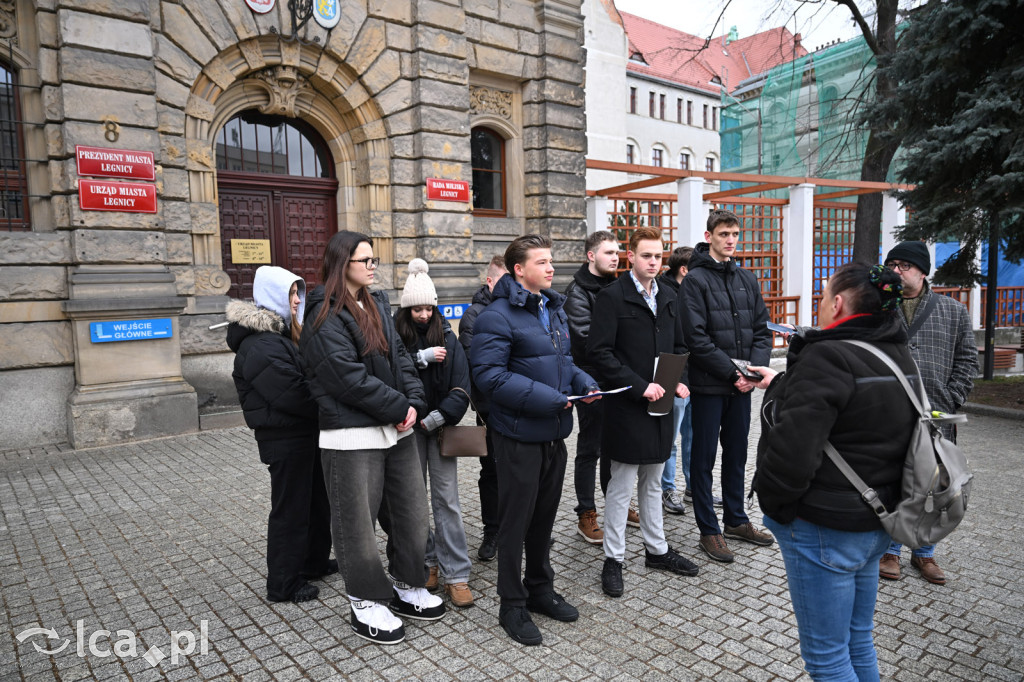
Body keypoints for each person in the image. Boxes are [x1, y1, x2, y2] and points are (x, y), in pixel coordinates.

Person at [748, 262, 917, 681]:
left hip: (824, 525)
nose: (820, 304)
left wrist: (774, 507)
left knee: (826, 658)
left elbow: (793, 452)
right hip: (877, 518)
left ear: (838, 303)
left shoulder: (827, 356)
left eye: (823, 296)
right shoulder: (896, 351)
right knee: (858, 641)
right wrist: (783, 383)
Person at [300, 231, 444, 645]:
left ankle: (408, 583)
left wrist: (413, 402)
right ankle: (364, 598)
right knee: (355, 525)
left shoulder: (377, 303)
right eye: (365, 260)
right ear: (342, 264)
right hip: (351, 434)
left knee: (410, 513)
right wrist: (400, 408)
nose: (373, 265)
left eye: (373, 259)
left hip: (396, 429)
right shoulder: (323, 314)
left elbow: (401, 359)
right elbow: (347, 379)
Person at [469, 234, 600, 646]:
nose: (550, 268)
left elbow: (565, 363)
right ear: (518, 270)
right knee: (515, 522)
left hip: (554, 434)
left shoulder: (552, 308)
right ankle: (512, 603)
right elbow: (489, 377)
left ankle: (540, 588)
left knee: (543, 520)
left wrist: (585, 382)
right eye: (541, 262)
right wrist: (550, 400)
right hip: (518, 436)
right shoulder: (497, 316)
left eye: (551, 261)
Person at [587, 227, 700, 598]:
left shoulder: (669, 295)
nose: (654, 262)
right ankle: (613, 559)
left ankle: (658, 550)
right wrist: (640, 386)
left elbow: (680, 345)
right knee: (621, 486)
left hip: (662, 404)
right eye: (646, 255)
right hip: (627, 405)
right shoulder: (611, 297)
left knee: (653, 480)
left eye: (658, 256)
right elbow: (600, 354)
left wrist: (678, 379)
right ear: (630, 257)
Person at [226, 266, 333, 604]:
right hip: (285, 440)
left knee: (317, 502)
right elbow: (294, 395)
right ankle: (283, 583)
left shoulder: (283, 336)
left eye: (299, 292)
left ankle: (313, 562)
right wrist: (332, 402)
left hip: (305, 436)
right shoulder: (261, 346)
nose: (299, 300)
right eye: (292, 293)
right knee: (290, 510)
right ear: (273, 297)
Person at [878, 241, 977, 585]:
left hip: (936, 415)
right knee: (893, 481)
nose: (897, 270)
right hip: (891, 412)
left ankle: (925, 554)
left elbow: (967, 360)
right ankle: (890, 550)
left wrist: (951, 399)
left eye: (905, 265)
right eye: (892, 263)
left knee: (934, 486)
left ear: (922, 271)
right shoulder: (879, 307)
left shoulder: (952, 311)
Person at [680, 209, 774, 564]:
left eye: (734, 233)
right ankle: (709, 529)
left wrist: (752, 373)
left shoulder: (747, 279)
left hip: (742, 388)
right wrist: (732, 374)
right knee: (703, 459)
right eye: (723, 234)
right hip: (709, 386)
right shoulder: (695, 280)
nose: (730, 239)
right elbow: (696, 338)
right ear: (709, 237)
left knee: (737, 455)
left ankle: (736, 520)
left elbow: (762, 330)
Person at [394, 258, 474, 607]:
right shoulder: (395, 338)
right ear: (406, 310)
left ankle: (457, 573)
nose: (424, 314)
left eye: (429, 307)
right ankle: (426, 562)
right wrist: (419, 359)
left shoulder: (450, 337)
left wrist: (439, 417)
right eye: (417, 309)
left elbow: (462, 386)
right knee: (412, 502)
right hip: (408, 428)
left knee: (447, 501)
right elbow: (391, 374)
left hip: (440, 429)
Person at [563, 230, 619, 544]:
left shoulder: (619, 286)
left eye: (617, 252)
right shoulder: (578, 292)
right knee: (590, 448)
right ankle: (586, 512)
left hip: (617, 378)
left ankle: (617, 504)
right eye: (609, 252)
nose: (615, 257)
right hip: (591, 380)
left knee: (614, 446)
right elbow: (585, 338)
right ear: (591, 256)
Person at [457, 255, 508, 562]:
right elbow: (479, 366)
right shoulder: (473, 317)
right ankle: (492, 531)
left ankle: (521, 527)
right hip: (490, 409)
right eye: (503, 283)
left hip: (519, 408)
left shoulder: (521, 308)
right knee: (491, 472)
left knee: (519, 472)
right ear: (490, 282)